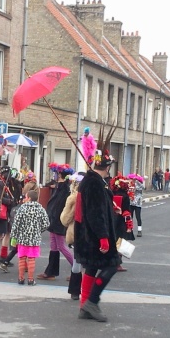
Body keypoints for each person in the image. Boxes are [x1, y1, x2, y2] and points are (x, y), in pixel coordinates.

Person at [74, 126, 121, 322]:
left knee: (91, 268)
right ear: (107, 167)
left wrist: (112, 208)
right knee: (113, 264)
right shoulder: (94, 182)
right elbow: (94, 212)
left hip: (88, 235)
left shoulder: (94, 181)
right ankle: (92, 301)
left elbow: (99, 206)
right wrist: (103, 238)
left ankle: (85, 307)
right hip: (93, 236)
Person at [37, 169, 74, 280]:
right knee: (53, 246)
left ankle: (77, 269)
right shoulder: (60, 186)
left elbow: (59, 206)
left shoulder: (63, 188)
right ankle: (51, 272)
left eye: (57, 174)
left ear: (60, 175)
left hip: (58, 221)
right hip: (54, 220)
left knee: (61, 246)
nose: (55, 176)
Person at [10, 189, 50, 286]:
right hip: (34, 238)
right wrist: (38, 231)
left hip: (22, 238)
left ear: (29, 198)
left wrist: (13, 237)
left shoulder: (22, 208)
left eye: (26, 197)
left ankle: (20, 278)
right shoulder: (41, 209)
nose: (25, 198)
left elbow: (16, 224)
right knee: (31, 259)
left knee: (22, 258)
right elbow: (46, 224)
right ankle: (31, 280)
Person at [60, 172, 84, 300]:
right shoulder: (94, 196)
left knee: (77, 263)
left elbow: (65, 219)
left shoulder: (73, 198)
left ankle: (75, 290)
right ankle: (87, 289)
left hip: (76, 232)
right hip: (91, 233)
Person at [110, 174, 135, 272]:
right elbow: (127, 212)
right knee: (120, 243)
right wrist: (129, 225)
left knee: (112, 241)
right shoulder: (125, 196)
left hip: (112, 220)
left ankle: (111, 262)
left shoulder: (111, 194)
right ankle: (117, 264)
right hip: (121, 221)